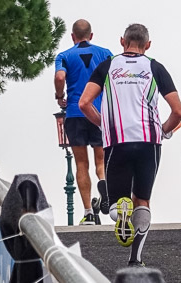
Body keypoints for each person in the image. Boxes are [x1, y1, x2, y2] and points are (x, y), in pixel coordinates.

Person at [79, 23, 181, 266]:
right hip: (149, 142)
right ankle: (135, 259)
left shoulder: (107, 66)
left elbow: (84, 103)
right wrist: (164, 131)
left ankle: (119, 213)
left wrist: (104, 125)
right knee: (143, 201)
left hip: (117, 140)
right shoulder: (155, 67)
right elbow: (178, 110)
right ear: (147, 45)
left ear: (122, 42)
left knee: (116, 204)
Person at [54, 19, 112, 225]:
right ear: (91, 35)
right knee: (101, 161)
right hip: (98, 113)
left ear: (72, 36)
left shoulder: (64, 56)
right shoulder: (105, 53)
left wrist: (59, 95)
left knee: (81, 163)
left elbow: (60, 78)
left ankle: (88, 212)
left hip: (75, 112)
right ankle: (104, 184)